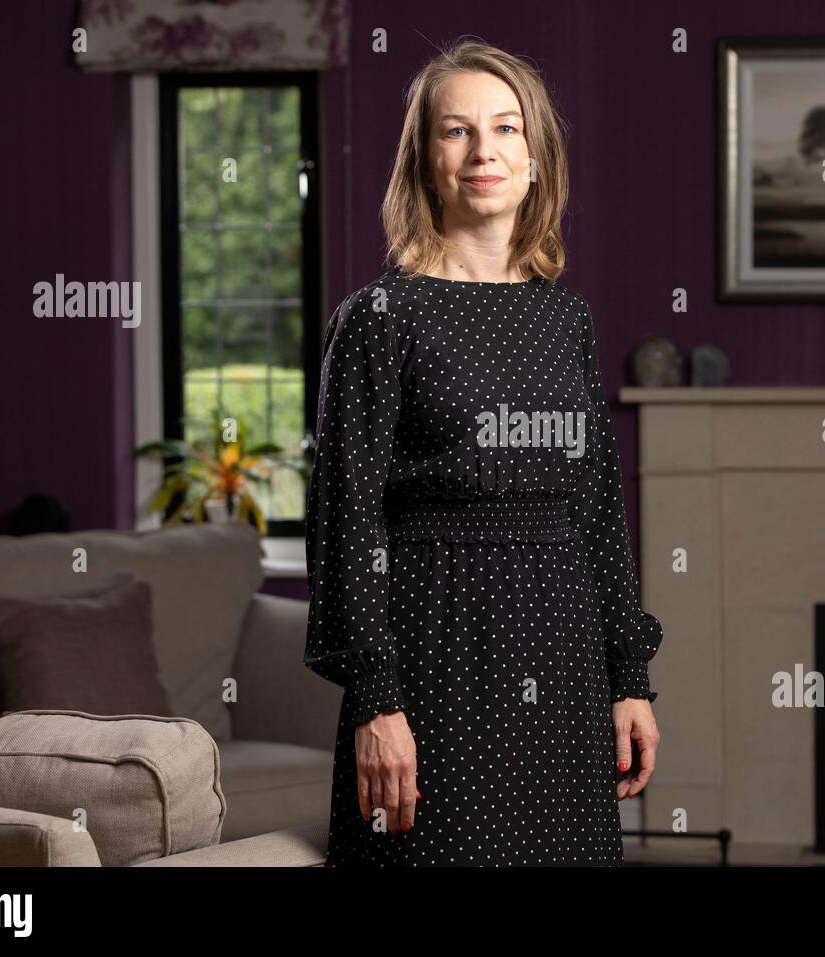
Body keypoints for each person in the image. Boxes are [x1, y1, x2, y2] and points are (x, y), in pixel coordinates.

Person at [304, 38, 662, 866]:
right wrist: (374, 701)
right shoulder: (378, 318)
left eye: (504, 129)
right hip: (437, 652)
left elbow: (600, 510)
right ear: (426, 162)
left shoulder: (567, 320)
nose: (483, 150)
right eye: (456, 131)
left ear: (534, 159)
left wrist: (630, 675)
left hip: (564, 655)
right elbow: (346, 521)